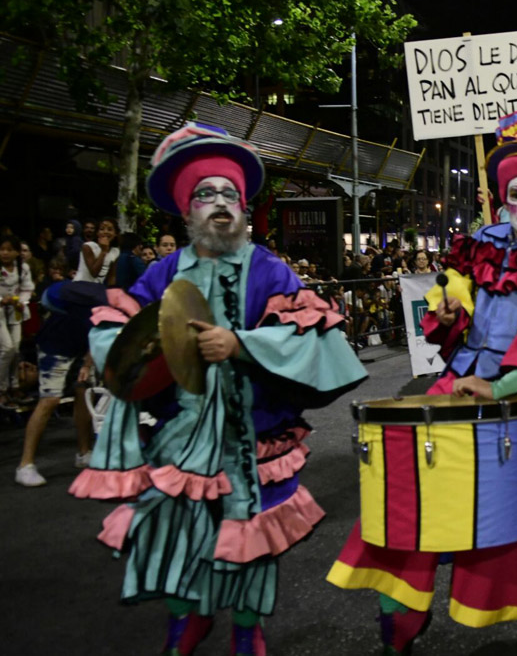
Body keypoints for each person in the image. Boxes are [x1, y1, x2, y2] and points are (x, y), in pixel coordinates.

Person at [329, 102, 517, 656]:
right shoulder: (480, 241)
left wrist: (504, 387)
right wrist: (447, 312)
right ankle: (402, 611)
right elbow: (453, 295)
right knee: (408, 494)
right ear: (503, 194)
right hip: (459, 386)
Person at [68, 123, 367, 655]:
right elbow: (116, 330)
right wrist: (129, 347)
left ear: (245, 207)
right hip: (180, 443)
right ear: (186, 212)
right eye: (206, 194)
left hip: (256, 440)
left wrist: (243, 344)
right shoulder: (160, 274)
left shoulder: (271, 271)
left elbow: (315, 337)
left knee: (250, 541)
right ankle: (189, 621)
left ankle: (247, 629)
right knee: (179, 536)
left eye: (230, 193)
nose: (220, 203)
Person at [14, 280, 105, 487]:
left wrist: (87, 363)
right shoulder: (105, 300)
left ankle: (84, 453)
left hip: (82, 344)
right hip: (56, 344)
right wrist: (88, 363)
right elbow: (100, 328)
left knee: (85, 394)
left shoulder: (116, 301)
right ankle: (25, 465)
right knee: (50, 399)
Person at [0, 235, 34, 408]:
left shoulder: (23, 268)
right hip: (0, 311)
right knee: (7, 348)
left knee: (16, 349)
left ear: (16, 252)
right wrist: (2, 299)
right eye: (2, 249)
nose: (5, 253)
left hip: (16, 311)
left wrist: (21, 300)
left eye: (9, 249)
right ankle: (2, 390)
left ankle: (14, 387)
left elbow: (28, 288)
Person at [74, 217, 119, 284]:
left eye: (109, 229)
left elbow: (112, 275)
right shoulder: (88, 246)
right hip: (81, 285)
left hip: (97, 288)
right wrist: (103, 251)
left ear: (115, 234)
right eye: (101, 229)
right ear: (97, 233)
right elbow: (94, 273)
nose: (105, 232)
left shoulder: (115, 251)